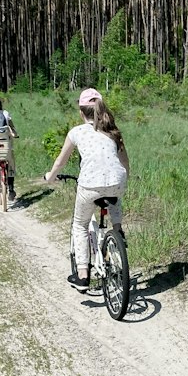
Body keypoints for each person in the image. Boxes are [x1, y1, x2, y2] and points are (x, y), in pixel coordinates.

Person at [43, 88, 128, 290]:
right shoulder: (113, 131)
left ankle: (82, 275)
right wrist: (125, 178)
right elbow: (125, 162)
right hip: (117, 181)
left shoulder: (77, 132)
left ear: (81, 112)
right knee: (114, 194)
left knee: (80, 225)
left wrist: (50, 177)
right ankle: (117, 230)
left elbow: (60, 162)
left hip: (90, 185)